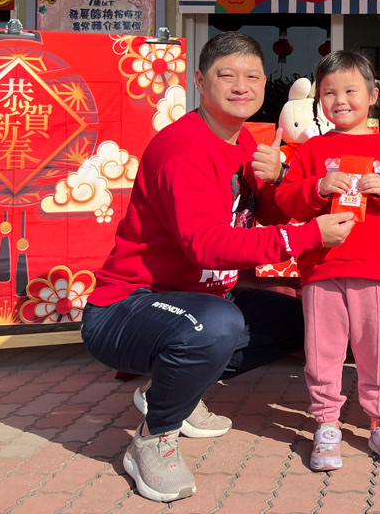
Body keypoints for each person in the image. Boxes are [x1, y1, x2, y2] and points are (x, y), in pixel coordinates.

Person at [80, 32, 355, 503]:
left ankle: (175, 392)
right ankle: (154, 436)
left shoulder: (245, 140)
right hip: (128, 306)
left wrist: (282, 179)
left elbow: (264, 214)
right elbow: (206, 247)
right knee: (216, 324)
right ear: (200, 82)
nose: (241, 86)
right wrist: (306, 236)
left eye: (253, 76)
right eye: (227, 75)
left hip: (200, 299)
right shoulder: (182, 149)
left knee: (304, 320)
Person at [276, 50, 380, 472]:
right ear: (318, 101)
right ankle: (326, 423)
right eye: (329, 93)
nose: (340, 100)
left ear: (373, 95)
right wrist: (318, 186)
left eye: (350, 91)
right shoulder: (311, 150)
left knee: (375, 351)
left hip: (375, 267)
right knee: (321, 352)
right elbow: (287, 199)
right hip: (321, 268)